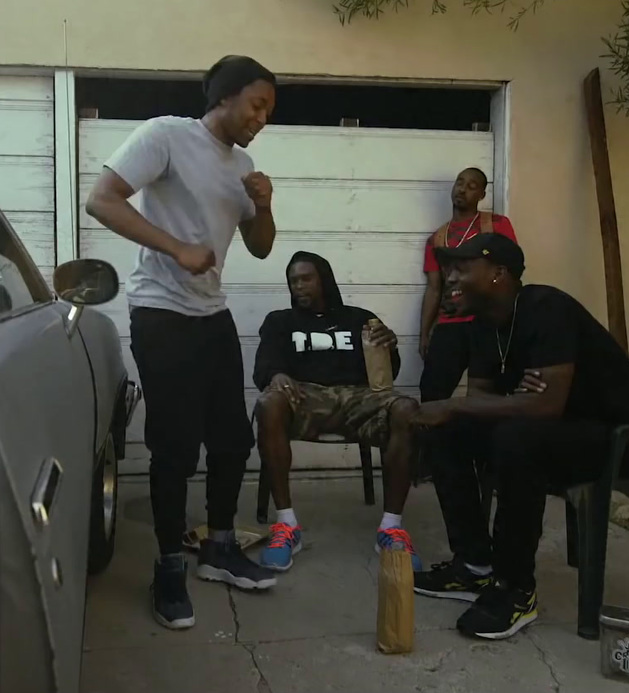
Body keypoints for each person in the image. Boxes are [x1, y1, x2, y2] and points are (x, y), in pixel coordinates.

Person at [83, 55, 281, 631]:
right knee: (175, 448)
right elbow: (103, 199)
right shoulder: (166, 135)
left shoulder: (242, 164)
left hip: (211, 315)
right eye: (258, 104)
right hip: (161, 313)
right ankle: (169, 565)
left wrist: (264, 206)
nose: (263, 117)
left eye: (269, 109)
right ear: (225, 96)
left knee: (230, 441)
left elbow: (262, 246)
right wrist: (176, 249)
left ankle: (219, 545)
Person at [408, 233, 629, 641]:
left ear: (498, 274)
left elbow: (543, 406)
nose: (449, 277)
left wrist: (496, 404)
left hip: (623, 439)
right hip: (559, 428)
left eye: (462, 267)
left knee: (515, 439)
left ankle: (515, 588)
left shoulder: (547, 308)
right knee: (447, 431)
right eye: (449, 267)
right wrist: (504, 402)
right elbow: (483, 400)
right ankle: (474, 565)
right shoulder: (484, 324)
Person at [250, 252, 425, 572]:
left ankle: (391, 528)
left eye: (306, 278)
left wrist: (391, 347)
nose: (299, 286)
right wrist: (276, 375)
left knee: (406, 409)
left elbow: (386, 376)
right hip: (306, 395)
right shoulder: (280, 321)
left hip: (358, 398)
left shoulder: (359, 318)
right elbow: (264, 366)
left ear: (324, 280)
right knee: (269, 403)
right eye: (293, 281)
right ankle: (287, 525)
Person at [414, 167, 519, 594]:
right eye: (459, 183)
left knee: (486, 396)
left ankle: (482, 463)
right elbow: (435, 288)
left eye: (472, 184)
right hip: (451, 326)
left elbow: (510, 274)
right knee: (431, 394)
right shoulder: (438, 238)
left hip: (487, 325)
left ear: (482, 192)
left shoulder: (498, 226)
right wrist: (426, 331)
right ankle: (434, 462)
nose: (463, 189)